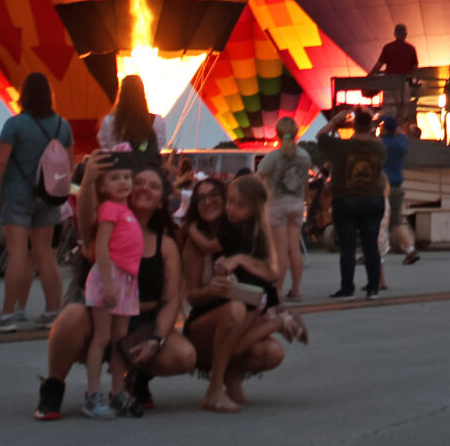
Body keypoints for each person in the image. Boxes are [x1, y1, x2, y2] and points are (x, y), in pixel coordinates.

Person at [37, 157, 200, 420]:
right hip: (103, 307)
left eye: (154, 186)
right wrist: (90, 178)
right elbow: (87, 208)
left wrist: (156, 340)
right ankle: (54, 386)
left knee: (184, 355)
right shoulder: (108, 220)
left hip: (141, 318)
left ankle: (136, 381)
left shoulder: (166, 245)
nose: (145, 189)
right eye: (139, 183)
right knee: (70, 319)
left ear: (162, 201)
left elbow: (171, 300)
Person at [178, 177, 300, 413]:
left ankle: (231, 375)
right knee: (237, 309)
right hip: (206, 323)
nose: (208, 203)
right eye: (200, 198)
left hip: (242, 315)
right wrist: (211, 290)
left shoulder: (245, 236)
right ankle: (214, 390)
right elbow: (191, 296)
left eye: (214, 196)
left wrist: (242, 261)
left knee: (271, 351)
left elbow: (270, 272)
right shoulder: (200, 243)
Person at [0, 71, 73, 330]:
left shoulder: (14, 125)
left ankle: (8, 314)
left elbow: (0, 161)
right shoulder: (62, 125)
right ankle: (53, 311)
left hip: (17, 195)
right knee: (45, 254)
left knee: (18, 254)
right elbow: (69, 162)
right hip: (49, 197)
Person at [79, 153, 142, 420]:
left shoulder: (127, 211)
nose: (123, 182)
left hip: (127, 280)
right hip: (111, 277)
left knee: (120, 341)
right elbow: (101, 246)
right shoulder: (109, 209)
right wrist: (107, 282)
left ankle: (118, 392)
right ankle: (94, 394)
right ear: (103, 186)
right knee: (102, 339)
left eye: (126, 177)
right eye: (115, 178)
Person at [318, 107, 386, 298]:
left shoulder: (341, 148)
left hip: (346, 201)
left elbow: (320, 136)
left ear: (354, 125)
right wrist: (374, 122)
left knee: (347, 247)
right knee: (370, 245)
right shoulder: (379, 149)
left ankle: (347, 288)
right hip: (373, 200)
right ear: (370, 126)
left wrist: (335, 122)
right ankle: (373, 287)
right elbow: (379, 141)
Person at [255, 116, 313, 301]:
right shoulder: (304, 156)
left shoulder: (273, 157)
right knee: (294, 248)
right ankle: (296, 290)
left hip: (277, 205)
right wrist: (307, 201)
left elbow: (258, 178)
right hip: (297, 204)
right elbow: (305, 182)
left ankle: (278, 290)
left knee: (279, 250)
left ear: (277, 134)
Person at [98, 75, 168, 164]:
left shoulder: (109, 121)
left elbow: (106, 147)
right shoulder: (156, 121)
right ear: (142, 93)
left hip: (118, 169)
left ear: (121, 94)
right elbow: (155, 148)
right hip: (146, 169)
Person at [379, 115, 419, 266]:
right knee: (396, 221)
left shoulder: (381, 144)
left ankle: (370, 252)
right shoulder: (401, 142)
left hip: (383, 187)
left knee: (375, 220)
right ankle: (410, 250)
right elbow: (401, 132)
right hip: (397, 186)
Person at [369, 23, 419, 128]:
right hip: (405, 83)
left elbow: (378, 65)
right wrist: (413, 83)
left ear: (395, 34)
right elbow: (415, 68)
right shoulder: (411, 49)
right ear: (406, 34)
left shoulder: (388, 47)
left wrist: (369, 77)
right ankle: (400, 131)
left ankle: (386, 130)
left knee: (390, 110)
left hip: (390, 83)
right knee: (403, 110)